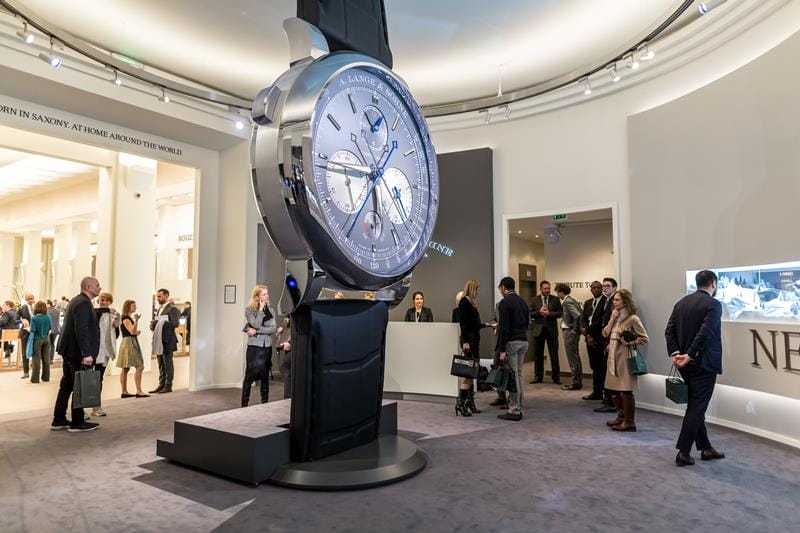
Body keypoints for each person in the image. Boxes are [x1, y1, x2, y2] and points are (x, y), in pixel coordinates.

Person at [665, 269, 725, 467]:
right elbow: (705, 333)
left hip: (685, 364)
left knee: (695, 406)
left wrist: (677, 353)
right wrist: (690, 355)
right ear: (713, 284)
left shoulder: (681, 303)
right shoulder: (714, 304)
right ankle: (683, 452)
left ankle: (706, 448)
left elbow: (669, 331)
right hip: (703, 364)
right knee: (697, 407)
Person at [52, 276, 102, 432]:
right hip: (77, 352)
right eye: (97, 285)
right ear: (88, 287)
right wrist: (86, 353)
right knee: (79, 385)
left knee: (67, 384)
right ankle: (77, 422)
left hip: (69, 350)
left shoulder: (76, 301)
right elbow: (81, 329)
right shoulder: (84, 303)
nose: (100, 288)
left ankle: (59, 419)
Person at [602, 288, 649, 432]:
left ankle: (629, 422)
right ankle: (621, 417)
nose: (614, 302)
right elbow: (605, 333)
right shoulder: (615, 316)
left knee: (626, 390)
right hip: (612, 358)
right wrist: (612, 319)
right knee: (613, 389)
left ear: (625, 301)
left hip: (625, 358)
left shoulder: (633, 318)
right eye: (614, 300)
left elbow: (644, 339)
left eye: (617, 300)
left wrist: (629, 342)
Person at [496, 277, 530, 421]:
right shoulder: (523, 301)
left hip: (512, 342)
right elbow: (527, 323)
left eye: (500, 288)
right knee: (519, 375)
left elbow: (504, 327)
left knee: (513, 376)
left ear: (503, 287)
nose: (500, 291)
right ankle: (519, 405)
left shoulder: (504, 303)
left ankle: (515, 410)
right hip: (524, 341)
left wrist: (502, 349)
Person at [456, 280, 489, 416]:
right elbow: (463, 324)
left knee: (472, 373)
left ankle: (469, 402)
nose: (478, 293)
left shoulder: (471, 303)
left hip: (474, 341)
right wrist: (465, 341)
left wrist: (486, 325)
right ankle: (460, 403)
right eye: (477, 289)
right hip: (469, 341)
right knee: (469, 373)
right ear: (472, 289)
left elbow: (474, 324)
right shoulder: (464, 302)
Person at [243, 285, 276, 407]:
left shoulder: (271, 310)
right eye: (264, 294)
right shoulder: (249, 310)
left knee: (264, 375)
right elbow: (256, 324)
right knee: (249, 375)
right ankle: (244, 404)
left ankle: (265, 403)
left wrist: (256, 331)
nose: (267, 296)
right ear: (257, 297)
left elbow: (273, 329)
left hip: (267, 347)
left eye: (267, 293)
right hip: (254, 347)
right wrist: (261, 310)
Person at [594, 277, 619, 413]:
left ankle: (611, 402)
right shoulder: (606, 300)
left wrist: (610, 342)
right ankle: (608, 400)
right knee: (605, 370)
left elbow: (616, 323)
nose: (604, 288)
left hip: (611, 340)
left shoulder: (615, 300)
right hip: (605, 338)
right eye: (604, 286)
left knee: (610, 372)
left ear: (614, 287)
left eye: (608, 286)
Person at [529, 281, 563, 384]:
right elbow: (530, 313)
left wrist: (549, 313)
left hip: (551, 331)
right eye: (545, 288)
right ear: (540, 289)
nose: (547, 290)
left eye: (548, 288)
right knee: (538, 355)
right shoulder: (534, 299)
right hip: (539, 331)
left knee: (554, 355)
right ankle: (538, 377)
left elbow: (560, 313)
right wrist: (539, 312)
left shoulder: (555, 299)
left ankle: (556, 377)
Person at [93, 292, 120, 417]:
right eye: (101, 300)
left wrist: (117, 318)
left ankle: (96, 406)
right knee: (85, 378)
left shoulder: (113, 314)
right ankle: (81, 408)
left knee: (99, 378)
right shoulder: (93, 312)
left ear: (110, 302)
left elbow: (116, 331)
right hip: (93, 351)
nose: (103, 302)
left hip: (105, 352)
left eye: (106, 300)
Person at [149, 288, 180, 394]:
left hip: (168, 339)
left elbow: (175, 323)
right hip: (159, 339)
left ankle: (168, 385)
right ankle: (161, 384)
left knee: (168, 363)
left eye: (159, 296)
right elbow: (158, 323)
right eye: (157, 296)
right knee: (160, 363)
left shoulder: (173, 308)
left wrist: (161, 322)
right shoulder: (159, 309)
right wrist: (154, 324)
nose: (157, 298)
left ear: (166, 296)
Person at [581, 281, 607, 401]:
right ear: (591, 289)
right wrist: (587, 335)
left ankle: (603, 392)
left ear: (601, 289)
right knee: (593, 365)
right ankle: (596, 392)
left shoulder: (606, 302)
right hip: (589, 338)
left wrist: (588, 331)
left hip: (600, 338)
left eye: (598, 287)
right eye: (594, 288)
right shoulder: (588, 302)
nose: (596, 289)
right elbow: (584, 319)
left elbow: (601, 320)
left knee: (602, 367)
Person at [555, 283, 583, 391]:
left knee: (572, 358)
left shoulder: (567, 301)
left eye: (557, 292)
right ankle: (577, 381)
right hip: (570, 331)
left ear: (561, 292)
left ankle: (575, 383)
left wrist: (575, 330)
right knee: (575, 357)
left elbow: (577, 315)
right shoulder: (571, 300)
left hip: (569, 332)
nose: (557, 295)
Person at [117, 300, 148, 398]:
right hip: (129, 343)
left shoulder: (126, 317)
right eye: (133, 305)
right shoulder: (126, 318)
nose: (136, 307)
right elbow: (132, 332)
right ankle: (139, 391)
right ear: (128, 306)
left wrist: (136, 331)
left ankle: (124, 392)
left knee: (125, 368)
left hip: (128, 341)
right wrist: (137, 321)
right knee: (140, 366)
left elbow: (132, 331)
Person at [29, 301, 52, 383]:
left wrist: (27, 329)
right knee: (46, 358)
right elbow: (50, 328)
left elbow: (32, 330)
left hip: (37, 339)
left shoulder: (34, 318)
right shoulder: (48, 316)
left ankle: (35, 379)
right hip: (47, 338)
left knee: (36, 358)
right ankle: (46, 377)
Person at [18, 293, 35, 379]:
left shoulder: (37, 307)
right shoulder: (22, 308)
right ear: (25, 299)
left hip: (35, 333)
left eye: (32, 298)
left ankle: (35, 371)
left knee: (36, 352)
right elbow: (15, 319)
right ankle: (26, 372)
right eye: (28, 299)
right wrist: (22, 321)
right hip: (25, 333)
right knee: (25, 353)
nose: (30, 300)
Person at [275, 316, 292, 399]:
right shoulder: (287, 318)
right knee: (285, 368)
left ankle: (288, 397)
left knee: (285, 365)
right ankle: (288, 397)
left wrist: (290, 343)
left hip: (293, 345)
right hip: (284, 346)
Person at [47, 299, 61, 366]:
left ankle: (47, 359)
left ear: (48, 304)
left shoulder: (46, 311)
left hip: (48, 330)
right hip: (56, 329)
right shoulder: (57, 310)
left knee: (48, 344)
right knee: (52, 344)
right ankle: (51, 359)